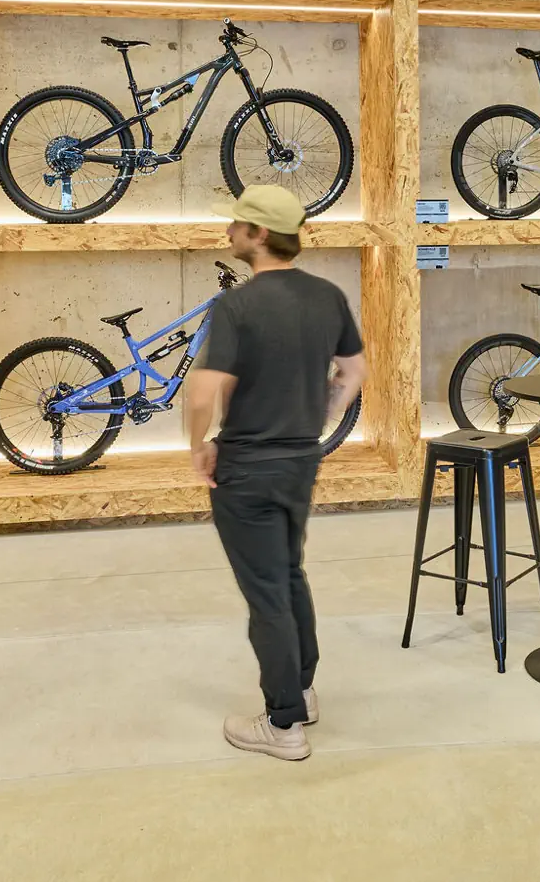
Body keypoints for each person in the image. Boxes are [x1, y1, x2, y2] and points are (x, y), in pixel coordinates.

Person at [184, 184, 366, 762]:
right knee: (288, 574)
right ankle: (302, 691)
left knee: (266, 595)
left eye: (237, 225)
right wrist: (319, 413)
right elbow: (354, 370)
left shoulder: (237, 306)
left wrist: (198, 445)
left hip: (247, 469)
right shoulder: (327, 296)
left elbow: (202, 392)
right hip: (300, 460)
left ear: (259, 235)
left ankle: (283, 723)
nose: (228, 232)